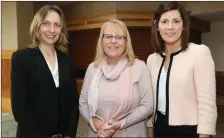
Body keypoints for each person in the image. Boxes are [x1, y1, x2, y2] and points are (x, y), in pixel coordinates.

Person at [146, 2, 217, 138]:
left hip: (190, 131)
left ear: (183, 26)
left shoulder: (199, 53)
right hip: (159, 128)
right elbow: (151, 101)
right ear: (157, 26)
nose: (170, 27)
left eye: (176, 21)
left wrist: (205, 135)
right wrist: (150, 130)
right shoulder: (152, 60)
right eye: (164, 21)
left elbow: (207, 105)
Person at [11, 5, 79, 138]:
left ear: (61, 29)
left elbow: (73, 103)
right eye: (46, 24)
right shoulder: (21, 58)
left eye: (57, 25)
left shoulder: (66, 60)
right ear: (37, 26)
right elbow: (19, 109)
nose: (52, 30)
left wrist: (70, 134)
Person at [79, 19, 153, 137]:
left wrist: (120, 124)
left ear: (126, 41)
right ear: (101, 40)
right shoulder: (93, 68)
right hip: (98, 133)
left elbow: (148, 106)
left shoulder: (139, 67)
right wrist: (97, 124)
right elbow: (82, 103)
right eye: (108, 36)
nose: (113, 41)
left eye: (119, 37)